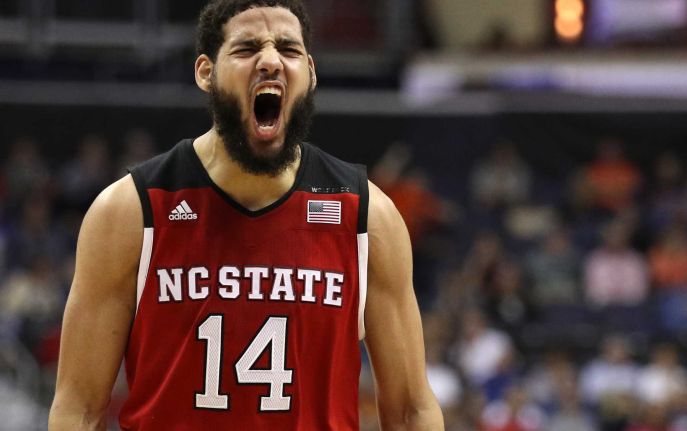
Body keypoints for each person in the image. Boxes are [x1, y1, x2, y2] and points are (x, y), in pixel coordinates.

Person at [48, 1, 443, 429]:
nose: (270, 61)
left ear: (309, 74)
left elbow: (410, 411)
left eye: (288, 50)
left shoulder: (367, 215)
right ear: (206, 72)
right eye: (247, 48)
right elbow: (79, 409)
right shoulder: (131, 210)